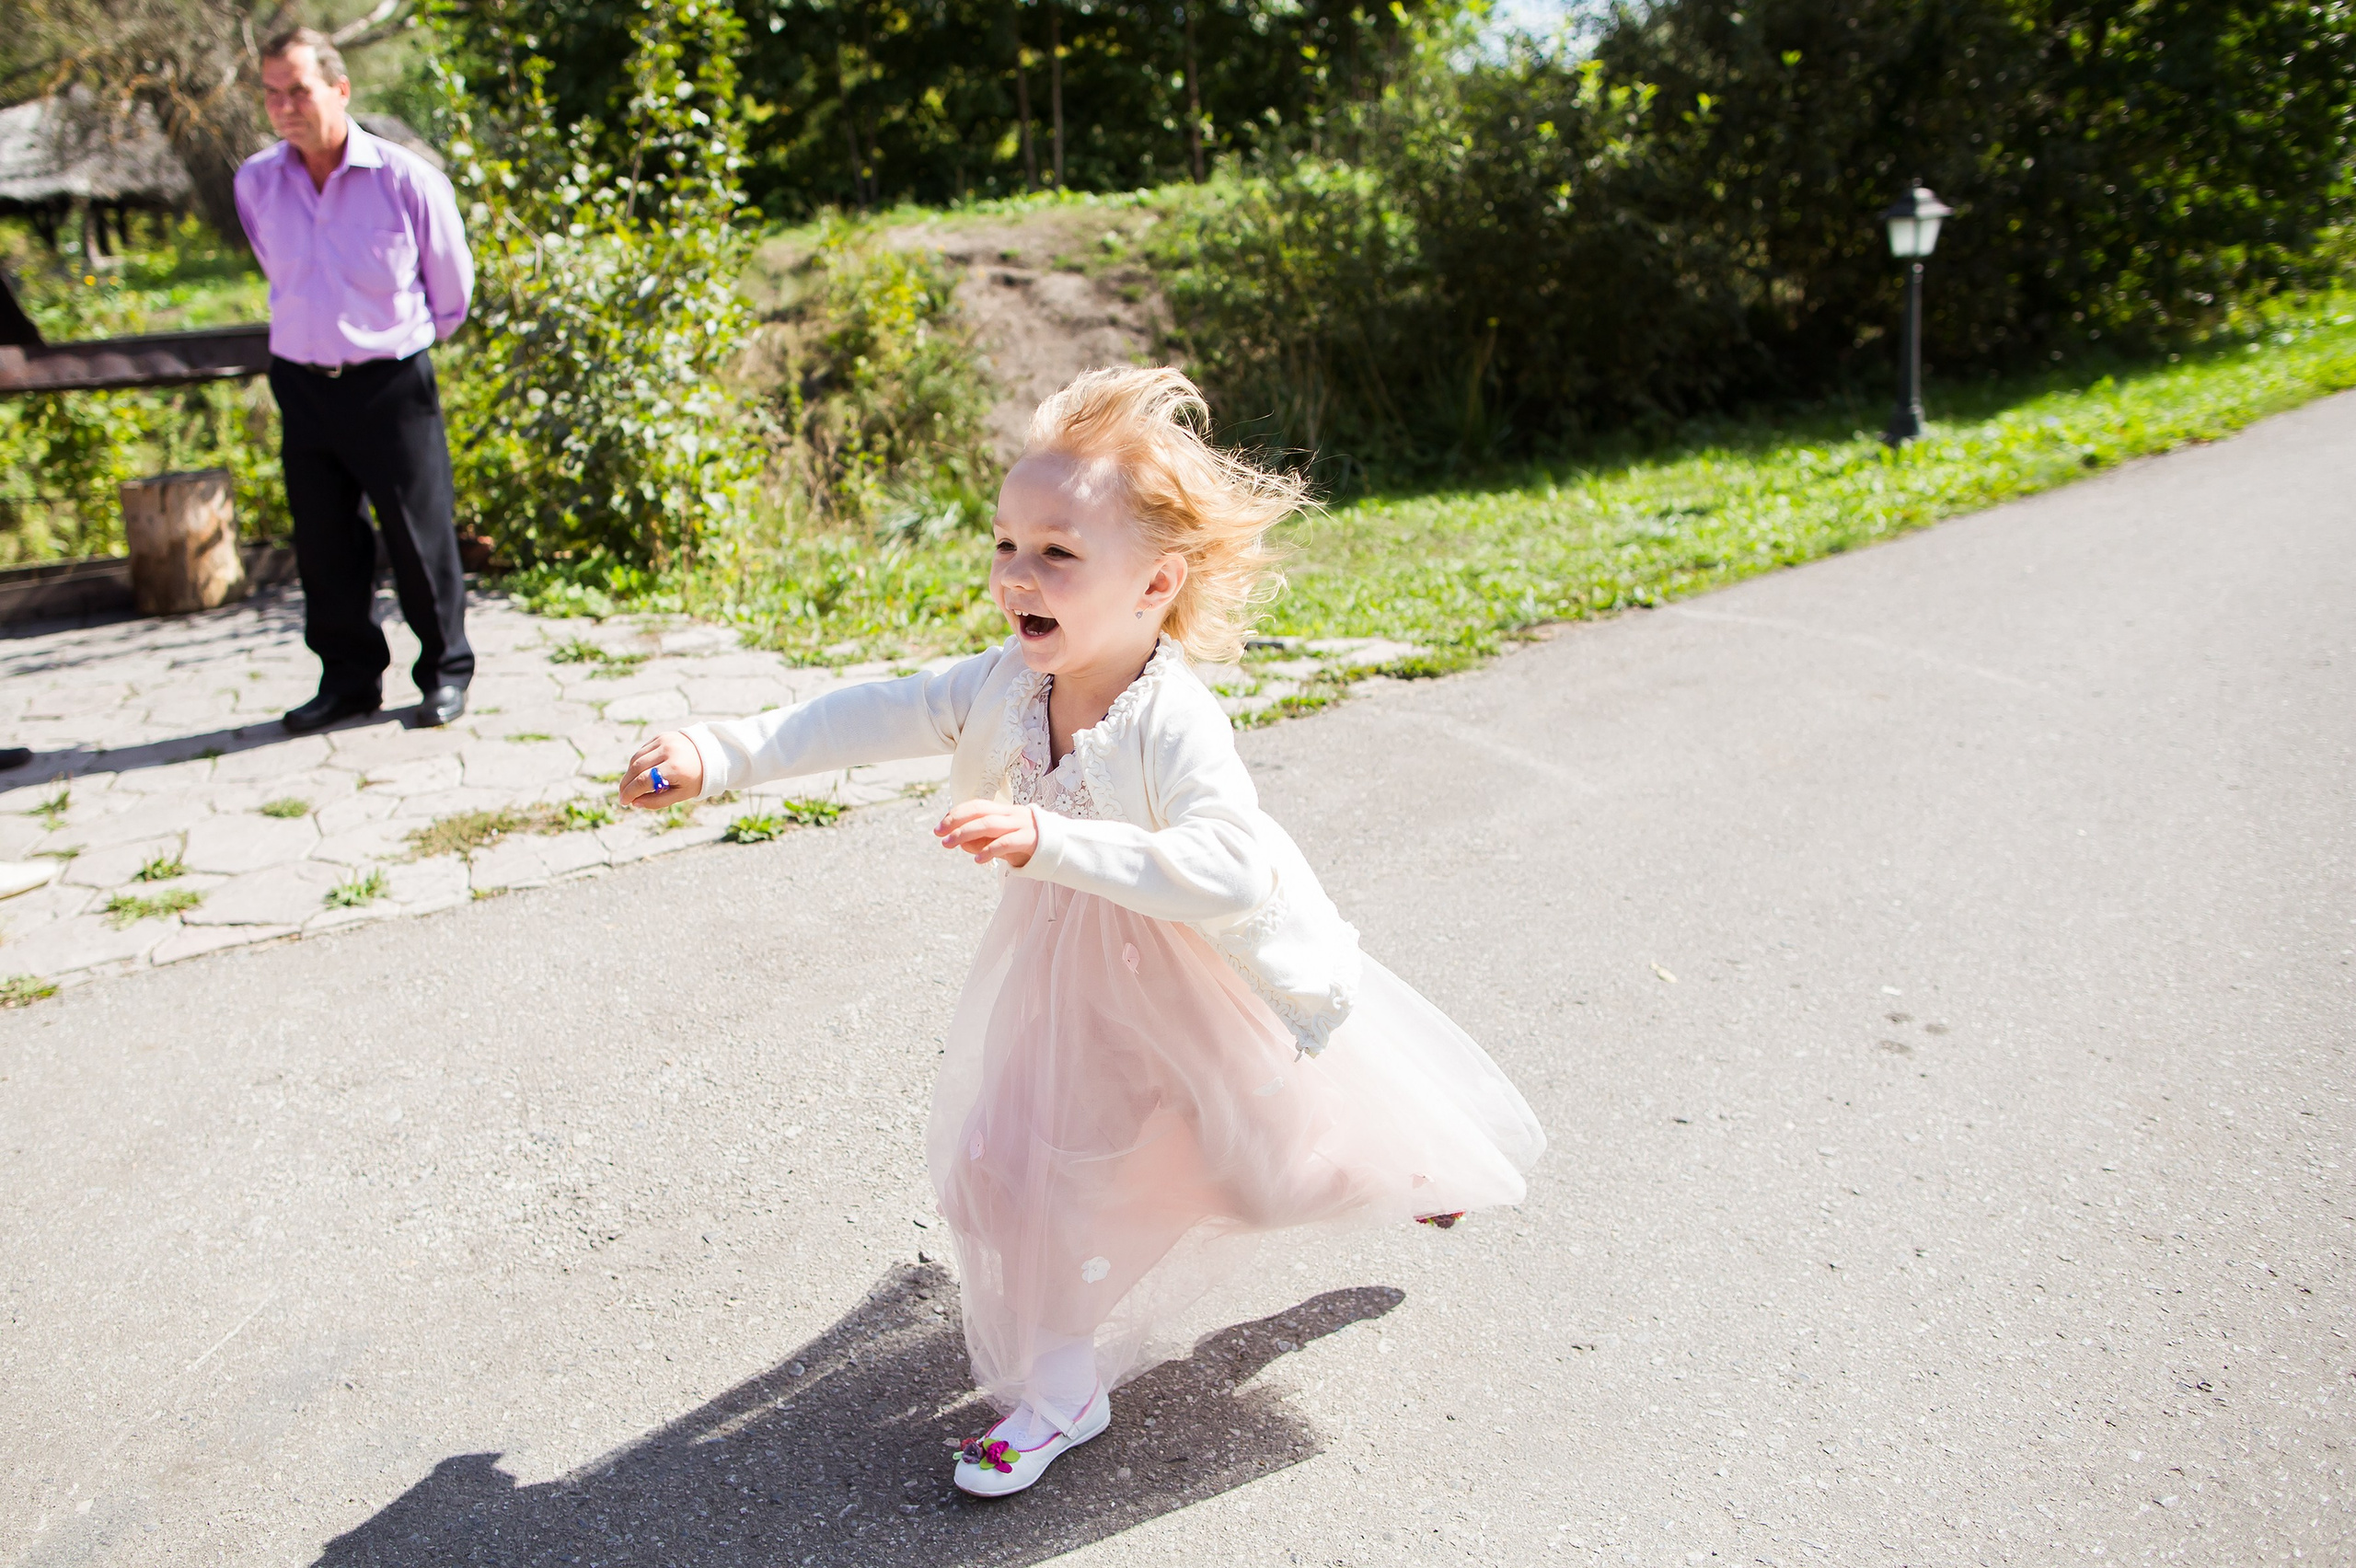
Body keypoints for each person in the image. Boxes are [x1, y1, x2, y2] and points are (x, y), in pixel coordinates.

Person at [618, 367, 1544, 1498]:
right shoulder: (1010, 679)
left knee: (1261, 1168)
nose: (1017, 575)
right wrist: (727, 750)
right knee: (1009, 1164)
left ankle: (1394, 1174)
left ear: (1156, 582)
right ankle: (1064, 1386)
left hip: (1197, 974)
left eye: (1058, 553)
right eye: (1007, 545)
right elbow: (876, 709)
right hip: (1067, 979)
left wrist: (1048, 842)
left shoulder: (1172, 719)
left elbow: (1229, 864)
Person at [235, 28, 476, 734]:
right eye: (272, 94)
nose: (285, 107)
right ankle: (347, 681)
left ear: (339, 90)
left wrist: (394, 345)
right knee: (324, 540)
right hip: (303, 383)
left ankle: (444, 673)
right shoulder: (256, 180)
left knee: (418, 537)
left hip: (389, 380)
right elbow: (272, 264)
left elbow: (452, 291)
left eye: (298, 90)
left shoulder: (406, 179)